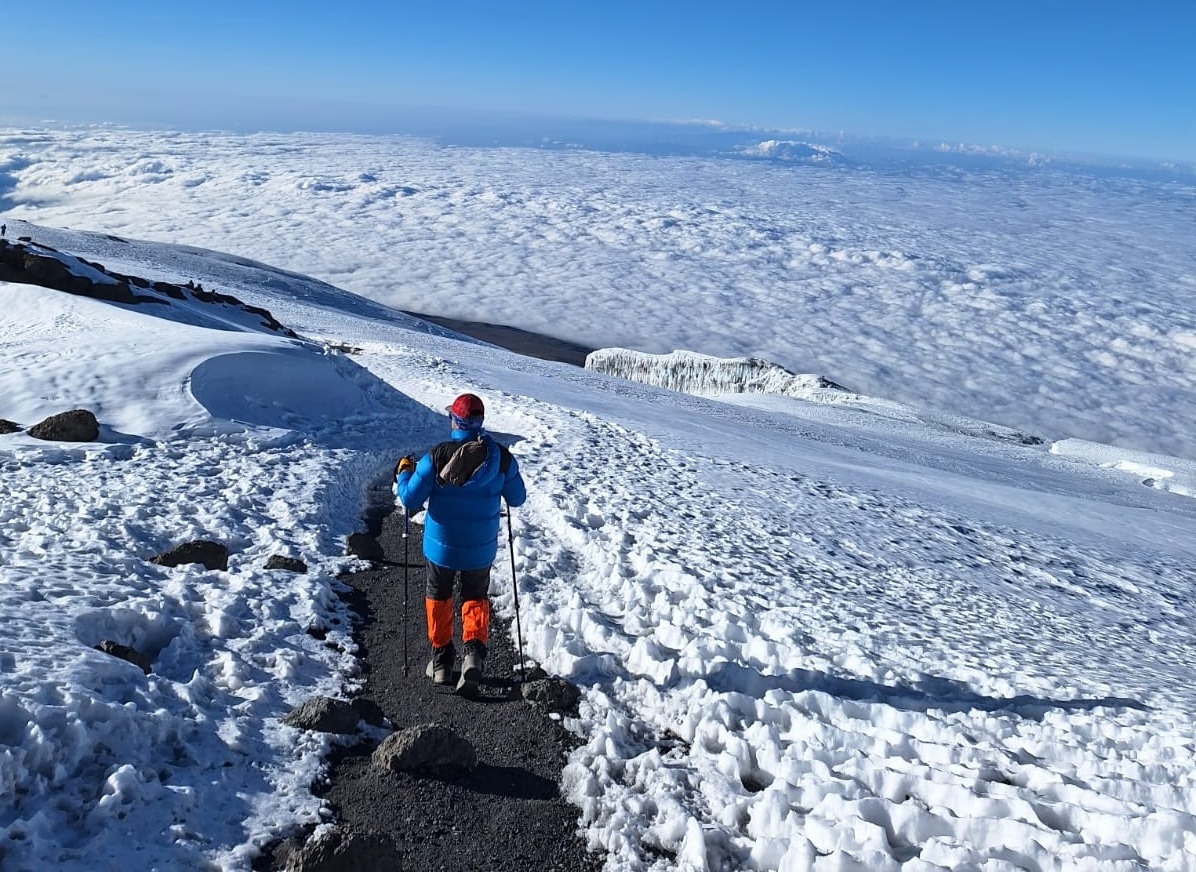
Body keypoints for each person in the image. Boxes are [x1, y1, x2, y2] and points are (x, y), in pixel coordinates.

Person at [394, 392, 527, 694]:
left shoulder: (437, 455)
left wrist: (403, 473)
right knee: (475, 596)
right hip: (480, 548)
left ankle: (441, 663)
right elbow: (518, 498)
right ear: (480, 422)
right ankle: (473, 658)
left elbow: (409, 499)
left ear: (454, 419)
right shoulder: (501, 458)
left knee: (438, 596)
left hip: (440, 547)